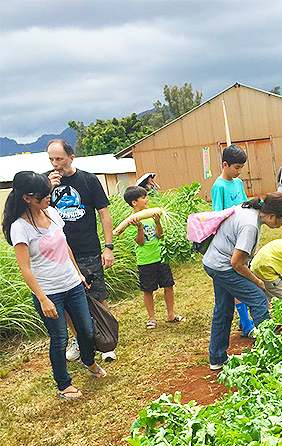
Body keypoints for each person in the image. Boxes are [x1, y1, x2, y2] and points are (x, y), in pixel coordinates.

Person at [2, 172, 106, 399]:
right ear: (28, 198)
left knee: (87, 330)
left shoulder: (52, 213)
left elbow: (65, 245)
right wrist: (43, 298)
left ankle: (88, 361)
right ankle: (63, 384)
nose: (49, 198)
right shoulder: (20, 227)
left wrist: (78, 274)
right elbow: (25, 268)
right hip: (49, 292)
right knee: (59, 338)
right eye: (44, 195)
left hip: (72, 284)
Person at [203, 192, 282, 370]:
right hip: (223, 266)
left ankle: (217, 358)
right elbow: (236, 263)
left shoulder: (250, 211)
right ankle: (271, 354)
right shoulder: (250, 225)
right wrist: (258, 282)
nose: (281, 225)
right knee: (258, 300)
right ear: (271, 216)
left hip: (214, 261)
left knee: (223, 309)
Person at [46, 139, 117, 363]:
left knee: (97, 294)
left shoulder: (88, 180)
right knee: (65, 299)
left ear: (71, 157)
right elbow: (35, 210)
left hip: (87, 249)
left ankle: (106, 340)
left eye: (59, 158)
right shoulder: (45, 183)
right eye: (51, 159)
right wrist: (47, 188)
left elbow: (104, 214)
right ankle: (79, 339)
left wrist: (108, 247)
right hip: (58, 253)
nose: (55, 164)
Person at [123, 186, 184, 329]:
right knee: (148, 290)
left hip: (160, 257)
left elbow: (160, 236)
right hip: (145, 260)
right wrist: (139, 228)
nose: (147, 200)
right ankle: (152, 318)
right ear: (134, 202)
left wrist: (157, 222)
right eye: (143, 198)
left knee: (168, 285)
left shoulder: (150, 216)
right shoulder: (131, 222)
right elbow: (140, 242)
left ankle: (171, 314)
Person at [210, 144, 254, 337]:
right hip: (229, 239)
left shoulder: (238, 183)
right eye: (236, 168)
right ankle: (245, 323)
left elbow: (244, 204)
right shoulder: (218, 186)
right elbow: (217, 215)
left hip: (242, 235)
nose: (239, 172)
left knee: (243, 277)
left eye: (241, 168)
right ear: (225, 165)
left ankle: (245, 320)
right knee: (237, 280)